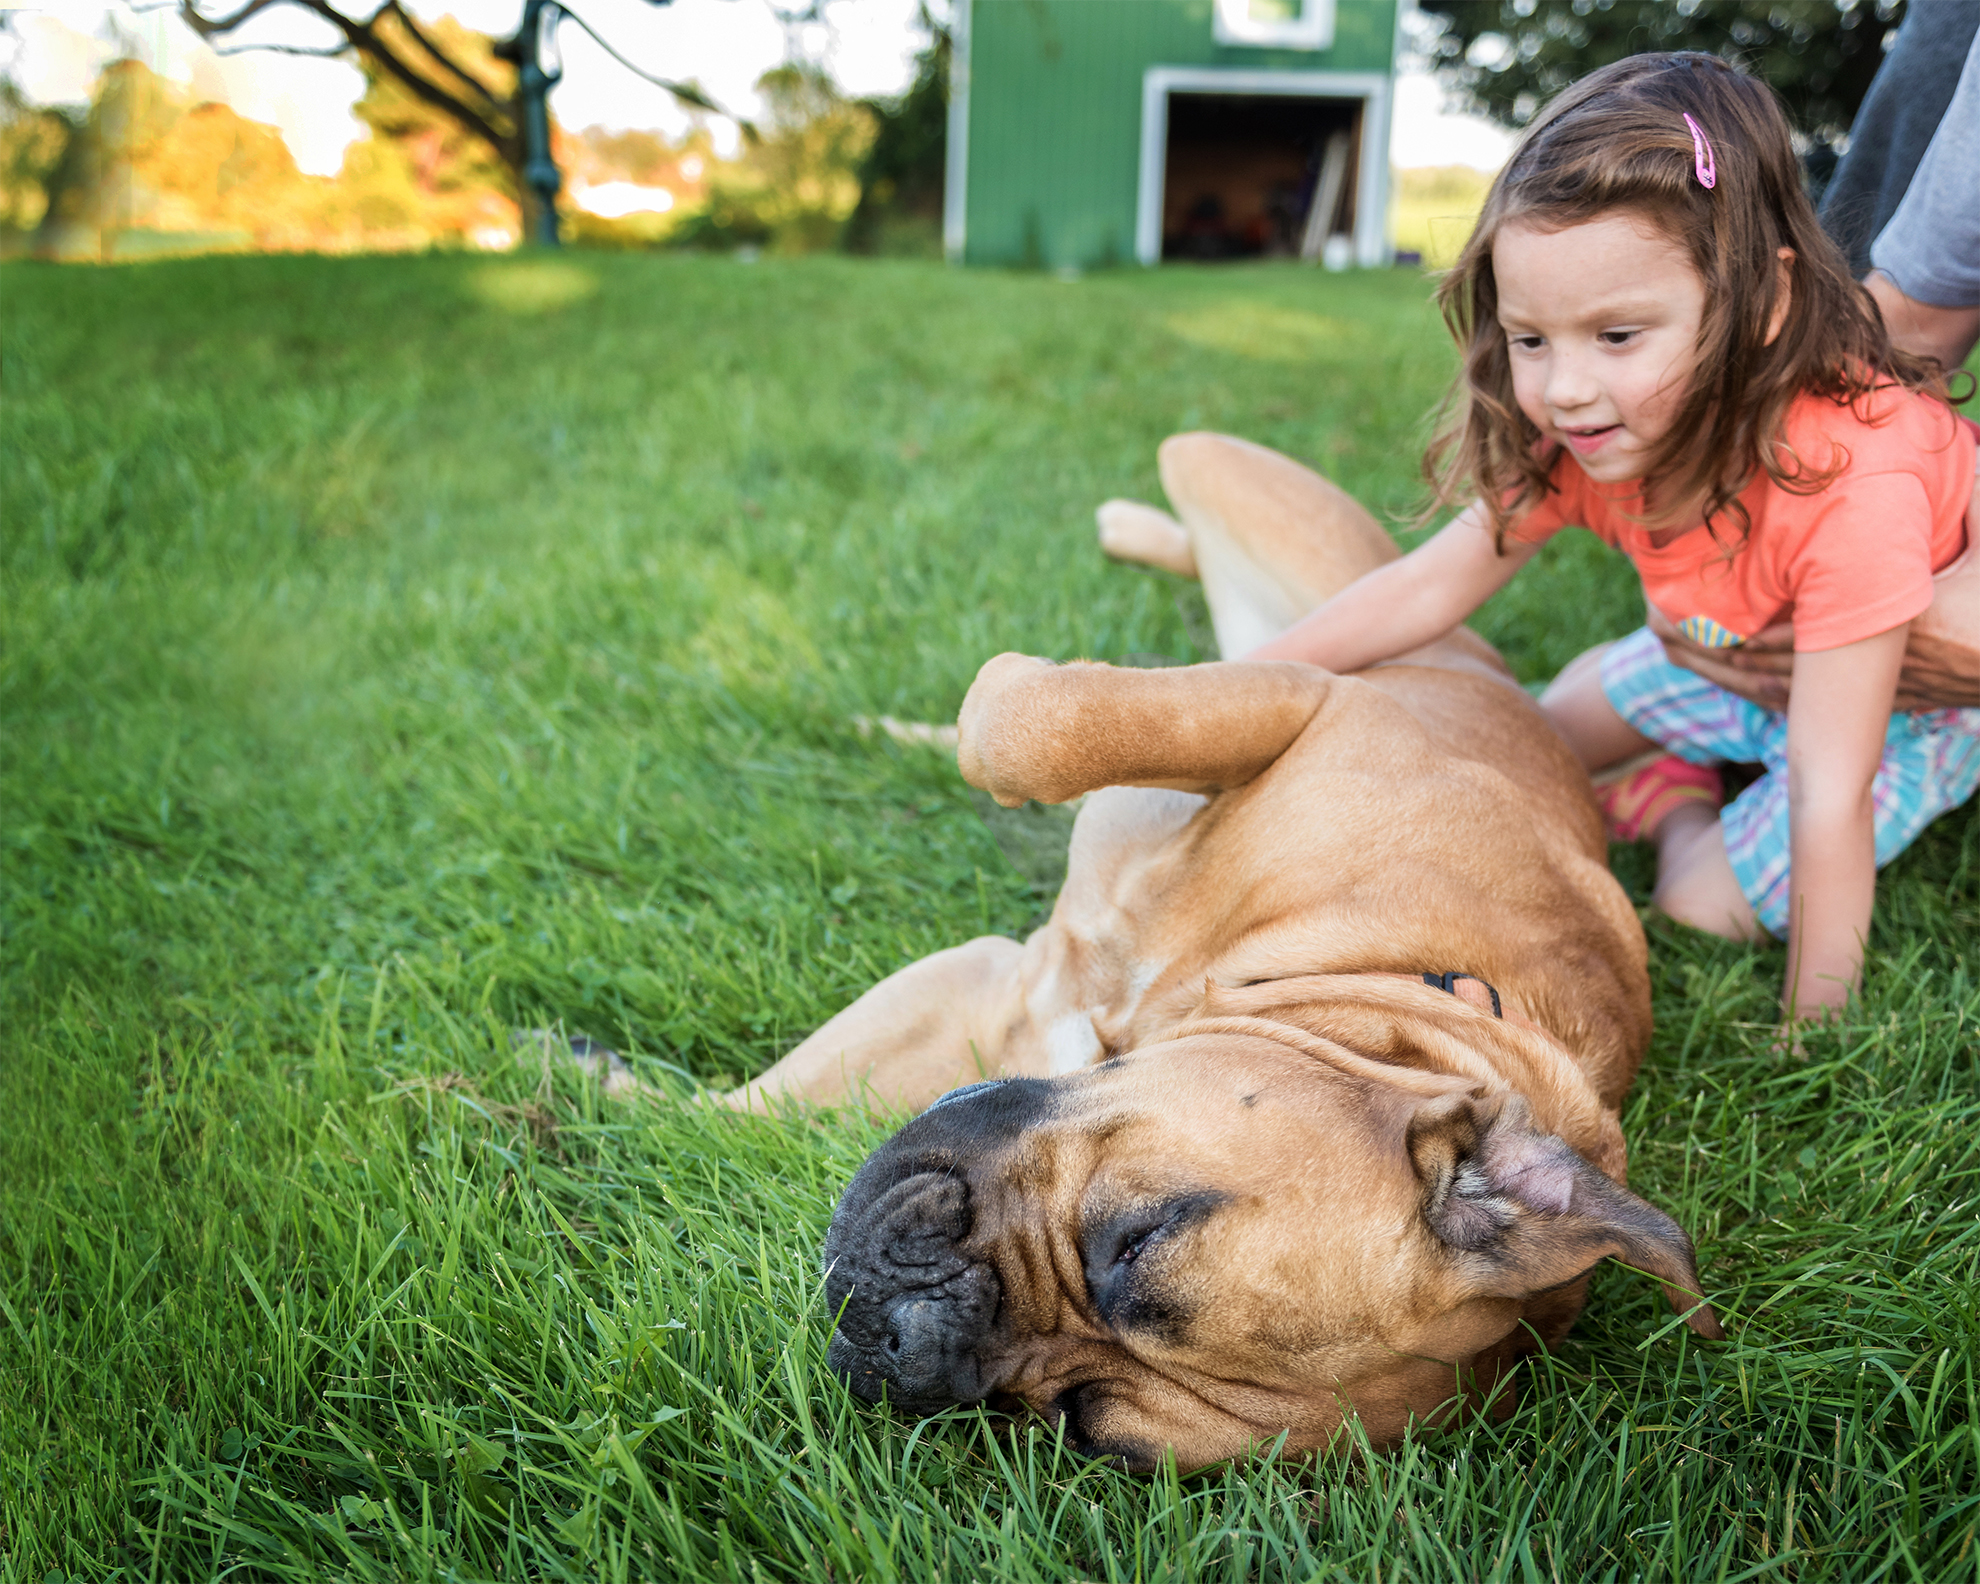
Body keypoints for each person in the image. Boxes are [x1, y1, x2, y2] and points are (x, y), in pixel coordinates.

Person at [1239, 53, 1979, 1034]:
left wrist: (1816, 1028)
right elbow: (1423, 589)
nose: (1566, 390)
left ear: (1762, 304)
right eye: (1531, 339)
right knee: (1535, 751)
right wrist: (1238, 689)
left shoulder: (1853, 488)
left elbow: (1830, 785)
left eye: (1617, 336)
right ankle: (1670, 749)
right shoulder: (1586, 435)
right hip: (1732, 651)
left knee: (1699, 901)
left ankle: (1676, 810)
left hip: (1897, 707)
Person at [1661, 25, 1980, 712]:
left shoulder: (1874, 484)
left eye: (1617, 334)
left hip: (1901, 678)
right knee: (1607, 689)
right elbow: (1917, 319)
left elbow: (1830, 775)